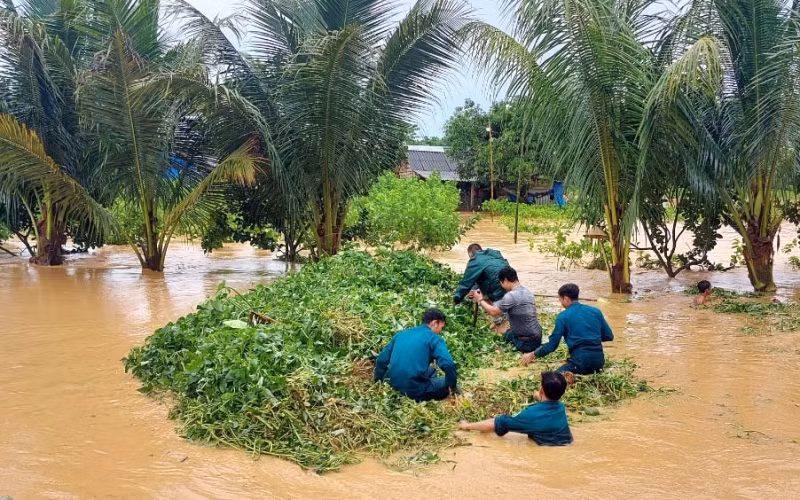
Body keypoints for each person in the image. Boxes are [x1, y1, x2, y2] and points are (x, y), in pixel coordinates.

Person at [520, 284, 613, 377]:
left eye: (560, 300)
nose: (561, 303)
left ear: (566, 299)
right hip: (599, 363)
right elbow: (609, 336)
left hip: (580, 362)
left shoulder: (563, 317)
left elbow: (552, 346)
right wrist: (591, 337)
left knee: (553, 379)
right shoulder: (595, 311)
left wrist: (533, 354)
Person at [458, 371, 573, 446]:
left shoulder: (529, 415)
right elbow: (548, 402)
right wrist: (538, 396)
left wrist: (467, 426)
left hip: (545, 450)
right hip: (566, 444)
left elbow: (494, 424)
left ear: (542, 390)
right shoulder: (561, 407)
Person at [374, 308, 457, 402]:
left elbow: (381, 359)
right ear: (435, 323)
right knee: (446, 382)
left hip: (393, 384)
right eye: (441, 327)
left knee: (431, 370)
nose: (440, 331)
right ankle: (426, 393)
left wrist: (378, 382)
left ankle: (423, 385)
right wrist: (452, 387)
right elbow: (449, 364)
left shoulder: (401, 334)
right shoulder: (434, 339)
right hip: (413, 390)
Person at [473, 266, 543, 352]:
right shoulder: (527, 291)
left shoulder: (511, 296)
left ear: (505, 280)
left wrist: (480, 300)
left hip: (526, 344)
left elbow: (494, 312)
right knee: (510, 330)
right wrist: (486, 298)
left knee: (504, 335)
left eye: (501, 283)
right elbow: (500, 305)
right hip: (538, 339)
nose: (502, 287)